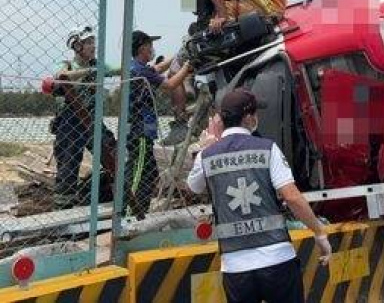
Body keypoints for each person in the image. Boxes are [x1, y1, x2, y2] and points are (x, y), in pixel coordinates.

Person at [186, 89, 332, 303]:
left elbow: (193, 187)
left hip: (235, 267)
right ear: (248, 118)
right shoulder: (268, 148)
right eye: (256, 112)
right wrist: (319, 232)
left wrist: (204, 147)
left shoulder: (207, 156)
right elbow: (291, 197)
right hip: (278, 260)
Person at [125, 30, 193, 218]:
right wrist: (186, 67)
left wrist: (179, 56)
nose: (153, 49)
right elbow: (170, 84)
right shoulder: (139, 71)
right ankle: (131, 213)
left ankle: (141, 210)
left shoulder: (137, 68)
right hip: (139, 132)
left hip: (141, 132)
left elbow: (159, 69)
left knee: (149, 171)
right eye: (150, 45)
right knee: (138, 174)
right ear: (143, 48)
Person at [51, 26, 119, 210]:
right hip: (70, 122)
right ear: (77, 46)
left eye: (93, 42)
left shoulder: (97, 65)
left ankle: (119, 196)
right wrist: (88, 73)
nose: (93, 46)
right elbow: (59, 78)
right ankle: (63, 209)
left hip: (93, 120)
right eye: (88, 42)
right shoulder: (67, 65)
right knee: (68, 165)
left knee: (114, 153)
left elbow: (117, 69)